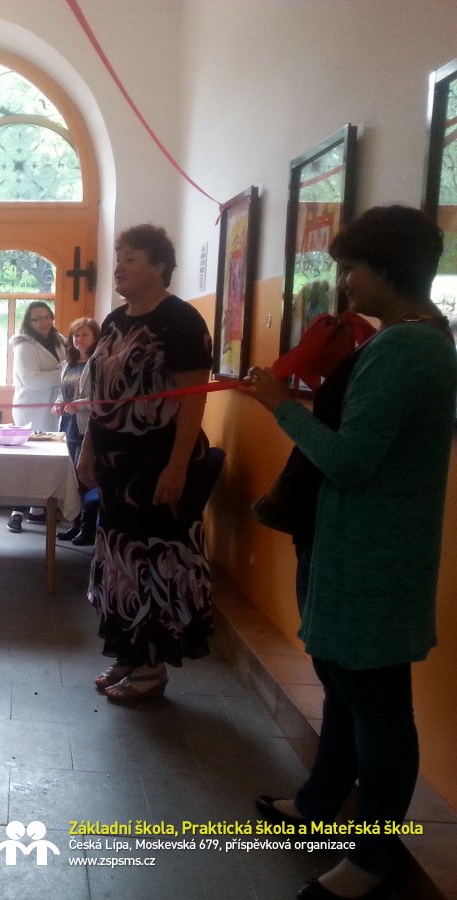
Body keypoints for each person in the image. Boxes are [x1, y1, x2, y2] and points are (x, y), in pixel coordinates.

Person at [241, 205, 456, 900]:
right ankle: (318, 805)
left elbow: (351, 460)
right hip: (358, 549)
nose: (346, 284)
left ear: (388, 269)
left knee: (378, 710)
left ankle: (370, 861)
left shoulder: (408, 347)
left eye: (353, 269)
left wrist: (280, 405)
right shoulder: (403, 340)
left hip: (375, 558)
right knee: (344, 688)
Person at [77, 224, 213, 702]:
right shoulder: (115, 321)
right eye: (119, 256)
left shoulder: (181, 321)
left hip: (157, 465)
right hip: (117, 465)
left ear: (159, 267)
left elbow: (193, 402)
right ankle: (128, 655)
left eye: (131, 257)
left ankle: (152, 668)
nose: (119, 266)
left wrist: (177, 467)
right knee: (119, 560)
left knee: (153, 560)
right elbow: (101, 396)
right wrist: (89, 449)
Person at [6, 300, 66, 533]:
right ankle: (16, 512)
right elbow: (33, 380)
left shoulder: (60, 340)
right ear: (29, 322)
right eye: (36, 319)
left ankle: (37, 510)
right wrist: (63, 371)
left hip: (53, 409)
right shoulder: (23, 346)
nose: (43, 322)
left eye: (46, 317)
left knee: (45, 462)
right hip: (30, 409)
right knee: (27, 462)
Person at [56, 316, 100, 546]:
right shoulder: (67, 364)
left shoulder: (98, 363)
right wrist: (58, 405)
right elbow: (62, 393)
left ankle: (88, 528)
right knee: (72, 479)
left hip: (87, 428)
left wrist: (78, 405)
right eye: (75, 335)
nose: (79, 339)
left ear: (95, 337)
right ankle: (75, 524)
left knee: (85, 477)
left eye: (84, 335)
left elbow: (100, 397)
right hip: (68, 426)